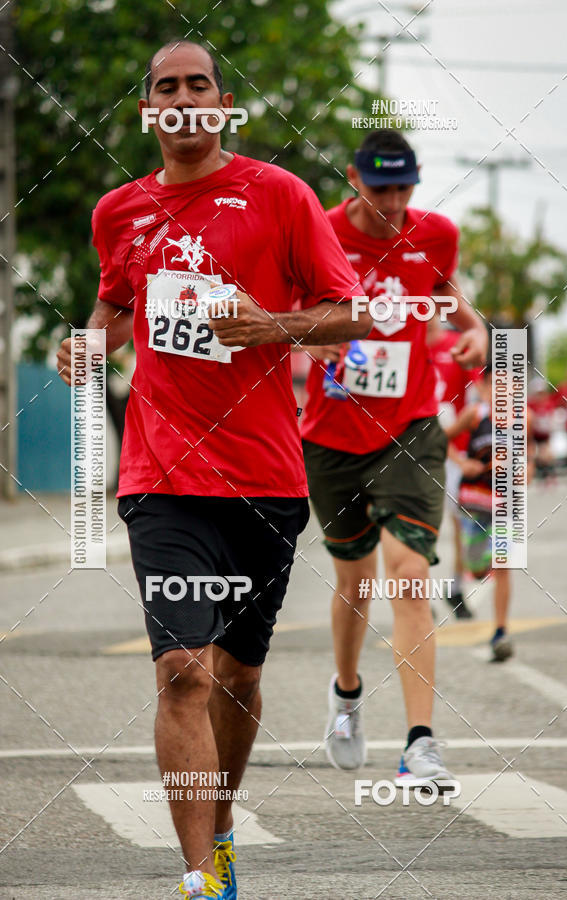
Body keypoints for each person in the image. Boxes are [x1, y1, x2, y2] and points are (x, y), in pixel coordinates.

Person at [56, 39, 369, 900]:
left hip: (265, 481)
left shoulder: (280, 195)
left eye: (199, 85)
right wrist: (86, 345)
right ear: (149, 110)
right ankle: (201, 878)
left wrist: (272, 327)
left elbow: (351, 314)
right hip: (162, 477)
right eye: (167, 88)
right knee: (182, 672)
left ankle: (222, 826)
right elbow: (115, 304)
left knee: (238, 676)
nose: (183, 98)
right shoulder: (120, 210)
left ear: (223, 105)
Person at [300, 129, 487, 786]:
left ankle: (420, 744)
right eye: (381, 188)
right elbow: (288, 311)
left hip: (410, 429)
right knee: (355, 582)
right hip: (332, 436)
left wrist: (475, 331)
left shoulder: (436, 234)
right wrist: (312, 341)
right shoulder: (317, 230)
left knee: (408, 576)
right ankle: (347, 694)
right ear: (354, 179)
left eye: (404, 187)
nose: (393, 200)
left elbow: (448, 295)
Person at [444, 367, 513, 661]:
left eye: (509, 385)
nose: (503, 391)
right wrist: (462, 463)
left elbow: (530, 451)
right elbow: (442, 439)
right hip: (475, 501)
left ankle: (501, 631)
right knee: (475, 566)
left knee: (504, 564)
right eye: (496, 384)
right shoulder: (474, 414)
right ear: (483, 388)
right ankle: (477, 570)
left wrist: (528, 467)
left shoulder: (522, 417)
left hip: (507, 502)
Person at [427, 314, 483, 619]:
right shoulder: (409, 344)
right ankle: (419, 593)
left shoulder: (455, 344)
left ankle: (456, 587)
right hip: (416, 448)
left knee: (461, 522)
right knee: (418, 523)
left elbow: (477, 394)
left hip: (454, 448)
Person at [528, 378, 556, 482]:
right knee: (536, 455)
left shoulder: (549, 404)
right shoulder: (531, 405)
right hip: (534, 435)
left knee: (546, 454)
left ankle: (548, 475)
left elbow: (551, 421)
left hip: (545, 435)